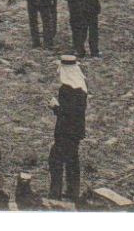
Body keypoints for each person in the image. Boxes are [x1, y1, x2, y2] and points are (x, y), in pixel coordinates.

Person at [48, 54, 87, 202]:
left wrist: (55, 106)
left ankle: (55, 192)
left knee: (55, 160)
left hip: (65, 130)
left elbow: (66, 113)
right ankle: (73, 191)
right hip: (77, 131)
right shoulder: (81, 86)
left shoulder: (65, 89)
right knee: (72, 160)